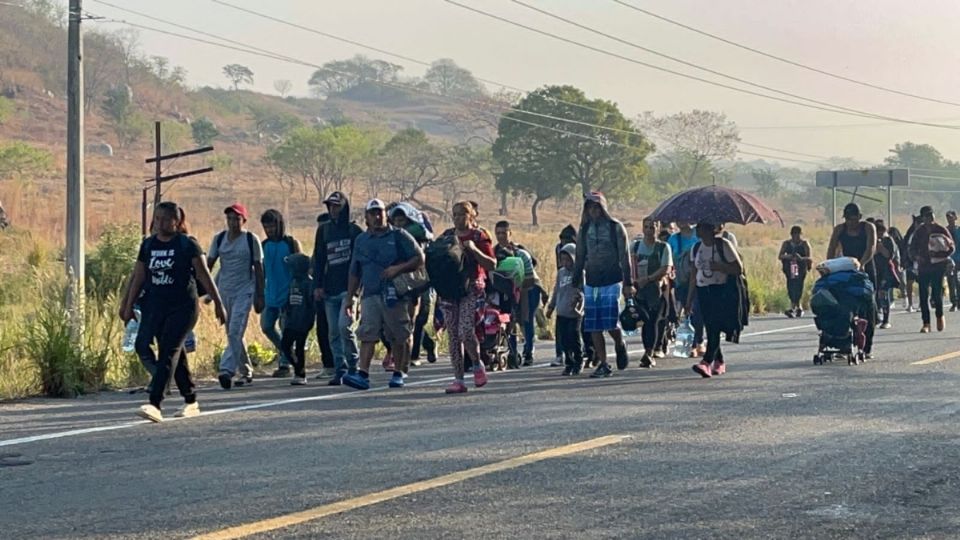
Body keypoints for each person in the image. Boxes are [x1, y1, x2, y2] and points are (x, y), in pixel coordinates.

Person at [121, 202, 226, 422]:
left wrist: (218, 302)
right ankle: (191, 399)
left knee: (169, 350)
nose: (160, 223)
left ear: (176, 222)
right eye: (157, 218)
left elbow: (204, 275)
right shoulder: (148, 245)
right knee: (172, 353)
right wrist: (128, 305)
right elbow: (138, 277)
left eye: (165, 219)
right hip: (156, 306)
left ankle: (155, 403)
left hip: (183, 307)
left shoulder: (187, 244)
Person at [341, 199, 425, 390]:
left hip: (395, 294)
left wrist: (398, 268)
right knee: (367, 333)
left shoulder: (399, 235)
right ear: (366, 217)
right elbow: (355, 271)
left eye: (380, 212)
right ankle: (363, 374)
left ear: (386, 214)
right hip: (370, 294)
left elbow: (419, 258)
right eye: (372, 213)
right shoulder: (361, 241)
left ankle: (399, 372)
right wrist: (350, 298)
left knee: (398, 335)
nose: (377, 217)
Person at [571, 191, 633, 378]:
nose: (593, 210)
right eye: (590, 207)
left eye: (596, 206)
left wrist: (629, 283)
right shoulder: (584, 230)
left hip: (612, 280)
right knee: (593, 325)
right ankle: (604, 363)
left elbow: (625, 257)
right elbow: (580, 257)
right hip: (591, 281)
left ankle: (619, 342)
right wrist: (576, 284)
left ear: (603, 207)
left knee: (610, 321)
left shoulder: (615, 227)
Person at [437, 201, 497, 393]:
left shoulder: (479, 235)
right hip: (450, 289)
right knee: (453, 334)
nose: (458, 218)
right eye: (455, 214)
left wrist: (473, 249)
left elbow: (491, 264)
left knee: (465, 330)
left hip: (471, 287)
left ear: (471, 216)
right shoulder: (447, 236)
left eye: (462, 214)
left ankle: (477, 363)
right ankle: (459, 379)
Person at [208, 203, 265, 390]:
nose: (233, 223)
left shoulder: (250, 239)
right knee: (234, 334)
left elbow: (258, 268)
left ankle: (226, 370)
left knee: (235, 330)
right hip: (224, 290)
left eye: (237, 219)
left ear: (244, 220)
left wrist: (259, 295)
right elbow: (208, 264)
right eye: (230, 219)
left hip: (244, 290)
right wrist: (206, 290)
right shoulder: (219, 239)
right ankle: (246, 370)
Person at [313, 192, 363, 385]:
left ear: (344, 208)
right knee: (333, 331)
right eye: (331, 206)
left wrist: (358, 290)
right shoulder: (324, 231)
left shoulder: (354, 231)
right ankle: (339, 369)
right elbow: (319, 259)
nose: (333, 210)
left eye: (337, 206)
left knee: (345, 327)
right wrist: (317, 285)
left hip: (349, 289)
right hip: (329, 289)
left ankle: (354, 366)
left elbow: (361, 263)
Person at [686, 222, 744, 378]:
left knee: (714, 326)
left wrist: (720, 266)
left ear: (711, 229)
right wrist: (689, 299)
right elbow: (693, 275)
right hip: (703, 291)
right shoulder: (696, 248)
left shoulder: (723, 245)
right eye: (697, 227)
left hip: (721, 291)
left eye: (702, 227)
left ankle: (706, 362)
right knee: (710, 325)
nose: (698, 230)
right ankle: (719, 361)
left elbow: (738, 268)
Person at [389, 202, 437, 367]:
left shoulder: (419, 231)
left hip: (420, 281)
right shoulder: (390, 235)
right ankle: (421, 347)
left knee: (419, 318)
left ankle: (414, 355)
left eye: (402, 220)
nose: (398, 223)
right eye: (395, 220)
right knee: (400, 320)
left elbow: (429, 235)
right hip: (400, 280)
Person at [826, 202, 877, 358]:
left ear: (860, 218)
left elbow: (871, 248)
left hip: (865, 268)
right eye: (848, 219)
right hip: (846, 269)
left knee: (869, 307)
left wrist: (861, 264)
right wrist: (830, 266)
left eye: (854, 219)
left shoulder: (868, 228)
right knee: (843, 305)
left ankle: (867, 346)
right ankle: (843, 341)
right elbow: (831, 250)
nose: (851, 223)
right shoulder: (840, 229)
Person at [259, 209, 301, 378]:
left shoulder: (290, 243)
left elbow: (300, 269)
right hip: (270, 295)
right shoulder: (263, 246)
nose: (270, 230)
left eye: (272, 226)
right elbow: (261, 271)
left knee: (286, 330)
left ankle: (284, 364)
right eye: (266, 227)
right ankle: (286, 351)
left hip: (288, 295)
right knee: (267, 326)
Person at [494, 220, 542, 367]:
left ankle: (529, 352)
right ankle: (512, 352)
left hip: (529, 288)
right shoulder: (493, 253)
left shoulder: (521, 254)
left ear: (510, 233)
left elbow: (529, 278)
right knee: (509, 321)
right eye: (498, 233)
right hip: (507, 290)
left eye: (504, 233)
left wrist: (518, 294)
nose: (501, 236)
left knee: (526, 320)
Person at [632, 218, 673, 368]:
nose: (650, 230)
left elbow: (666, 268)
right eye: (647, 227)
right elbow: (629, 266)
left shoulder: (663, 247)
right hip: (640, 290)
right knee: (645, 321)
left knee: (654, 321)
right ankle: (648, 350)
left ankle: (649, 352)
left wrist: (649, 279)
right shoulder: (635, 247)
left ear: (658, 228)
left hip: (657, 290)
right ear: (643, 229)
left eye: (653, 227)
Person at [908, 206, 955, 333]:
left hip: (938, 266)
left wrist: (939, 255)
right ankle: (926, 323)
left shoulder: (941, 229)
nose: (930, 217)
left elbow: (951, 247)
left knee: (936, 293)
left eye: (931, 215)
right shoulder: (919, 231)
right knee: (923, 295)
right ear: (922, 218)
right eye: (927, 215)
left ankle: (939, 316)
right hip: (924, 267)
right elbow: (911, 248)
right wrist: (917, 257)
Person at [546, 243, 584, 375]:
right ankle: (569, 362)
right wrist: (551, 306)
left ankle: (578, 361)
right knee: (564, 339)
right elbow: (557, 290)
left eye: (568, 259)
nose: (565, 262)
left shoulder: (579, 273)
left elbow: (583, 291)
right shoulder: (561, 273)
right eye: (562, 259)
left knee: (574, 337)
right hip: (561, 311)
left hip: (574, 312)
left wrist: (579, 300)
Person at [668, 222, 704, 357]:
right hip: (681, 281)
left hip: (699, 279)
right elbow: (670, 260)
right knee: (686, 311)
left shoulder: (698, 235)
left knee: (697, 312)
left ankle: (697, 342)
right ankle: (693, 343)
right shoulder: (673, 239)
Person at [281, 253, 315, 385]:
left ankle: (300, 374)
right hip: (291, 321)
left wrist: (309, 320)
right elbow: (290, 298)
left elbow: (311, 305)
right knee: (285, 345)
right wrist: (286, 307)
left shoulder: (308, 283)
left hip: (303, 321)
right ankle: (297, 367)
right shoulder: (294, 282)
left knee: (299, 347)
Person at [778, 226, 812, 318]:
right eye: (794, 234)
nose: (796, 237)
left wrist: (801, 258)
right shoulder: (786, 244)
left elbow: (809, 257)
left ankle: (794, 307)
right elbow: (780, 256)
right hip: (789, 268)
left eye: (798, 234)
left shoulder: (804, 244)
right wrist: (789, 256)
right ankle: (796, 307)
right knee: (791, 286)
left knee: (798, 286)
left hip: (801, 268)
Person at [874, 222, 900, 329]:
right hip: (874, 270)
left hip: (886, 271)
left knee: (883, 294)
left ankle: (886, 319)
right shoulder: (872, 240)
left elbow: (889, 255)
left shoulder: (888, 241)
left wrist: (881, 248)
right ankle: (875, 317)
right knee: (874, 295)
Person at [947, 210, 960, 312]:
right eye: (948, 217)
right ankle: (954, 302)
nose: (950, 219)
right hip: (949, 259)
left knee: (958, 281)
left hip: (959, 258)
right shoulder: (945, 230)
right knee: (951, 280)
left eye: (951, 217)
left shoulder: (959, 230)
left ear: (955, 218)